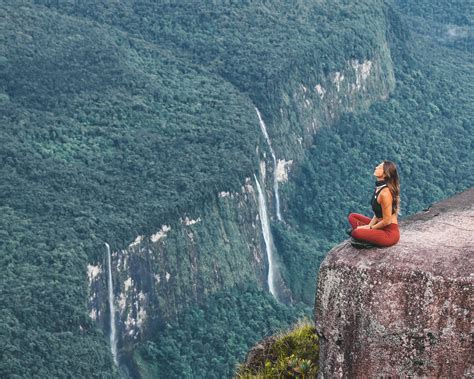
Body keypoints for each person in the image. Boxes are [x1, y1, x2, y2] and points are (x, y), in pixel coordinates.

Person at [347, 160, 401, 247]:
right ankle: (370, 235)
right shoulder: (379, 188)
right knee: (352, 217)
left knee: (356, 232)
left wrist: (370, 228)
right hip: (380, 225)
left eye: (379, 168)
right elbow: (377, 214)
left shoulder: (385, 193)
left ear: (385, 174)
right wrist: (369, 225)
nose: (376, 167)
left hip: (389, 233)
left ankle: (369, 238)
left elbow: (387, 221)